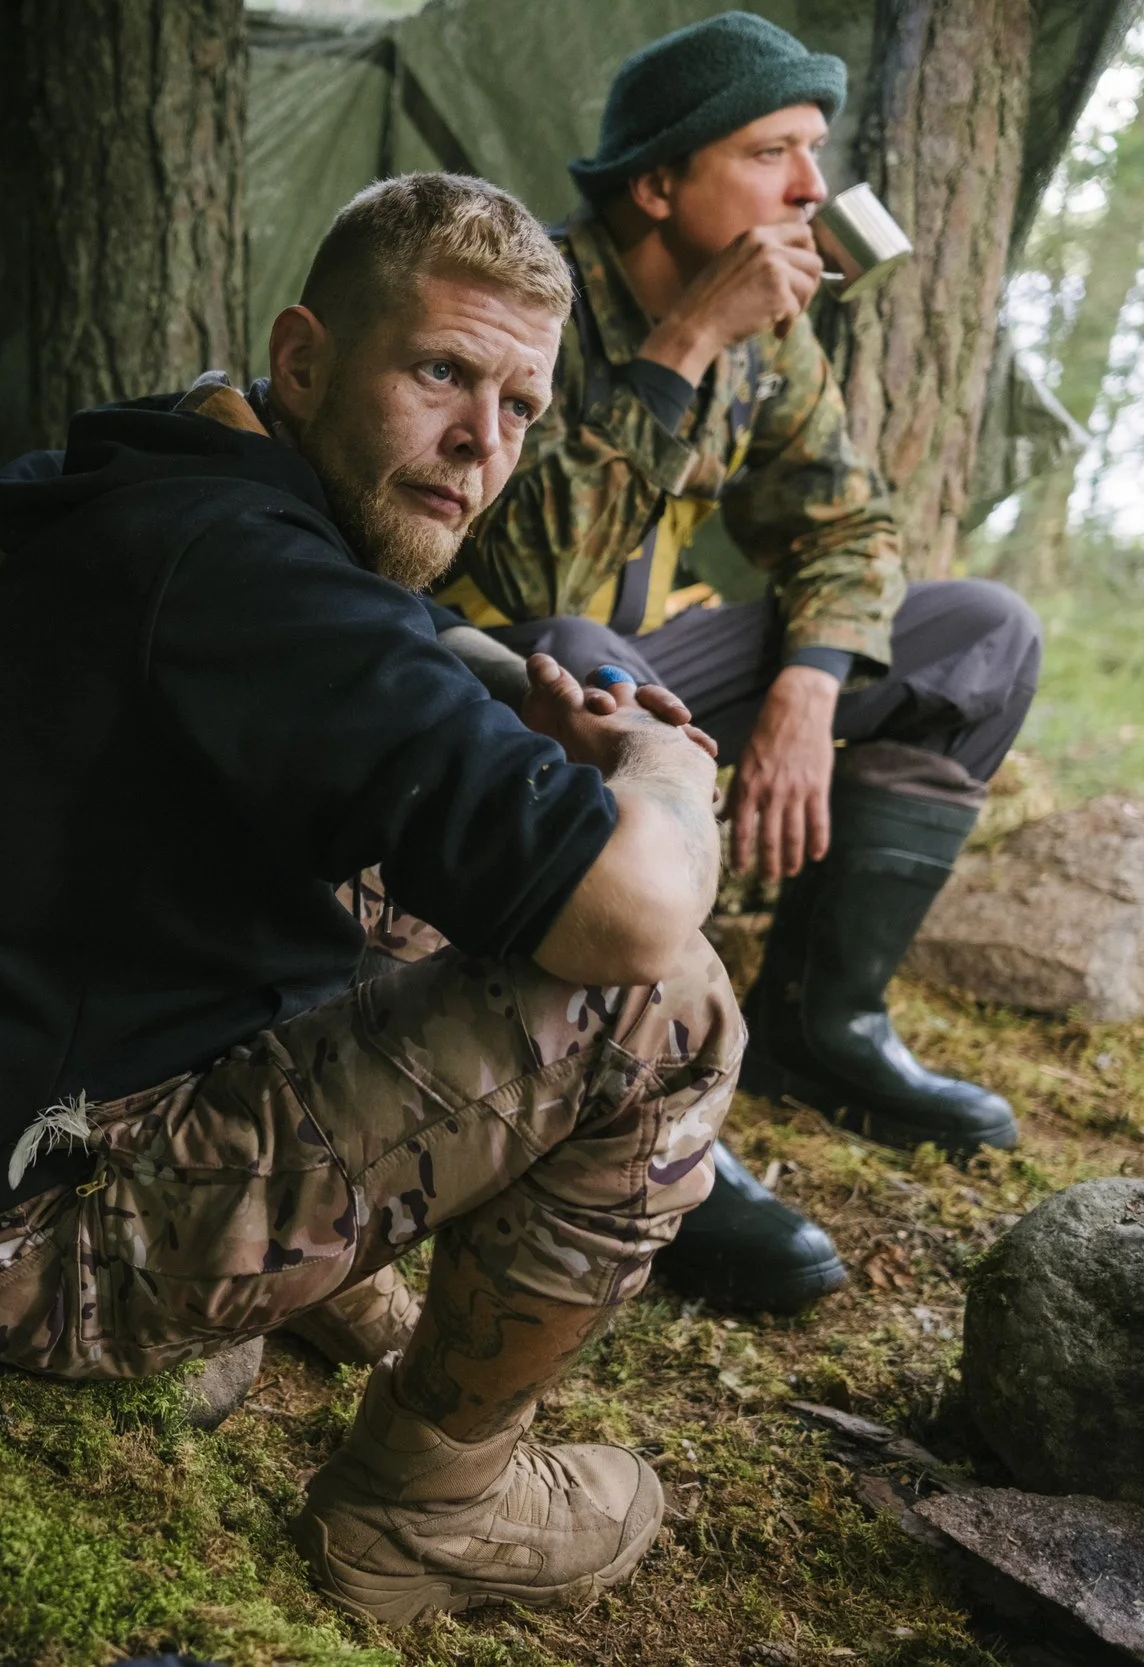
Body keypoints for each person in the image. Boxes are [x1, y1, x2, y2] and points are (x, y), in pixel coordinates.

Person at [0, 173, 737, 1625]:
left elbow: (383, 648)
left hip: (28, 1112)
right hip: (28, 1239)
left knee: (461, 870)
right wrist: (661, 767)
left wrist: (521, 701)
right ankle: (425, 1506)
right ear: (307, 358)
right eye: (441, 372)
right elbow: (635, 912)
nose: (478, 447)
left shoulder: (195, 482)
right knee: (656, 1000)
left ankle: (302, 1278)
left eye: (519, 407)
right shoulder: (243, 577)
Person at [434, 11, 1043, 1313]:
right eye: (776, 152)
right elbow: (513, 572)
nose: (812, 192)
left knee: (979, 632)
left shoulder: (776, 332)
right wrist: (683, 346)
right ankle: (647, 1103)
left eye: (814, 156)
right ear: (660, 182)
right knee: (584, 653)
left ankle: (826, 1027)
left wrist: (810, 688)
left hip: (637, 660)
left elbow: (849, 520)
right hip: (480, 682)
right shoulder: (523, 294)